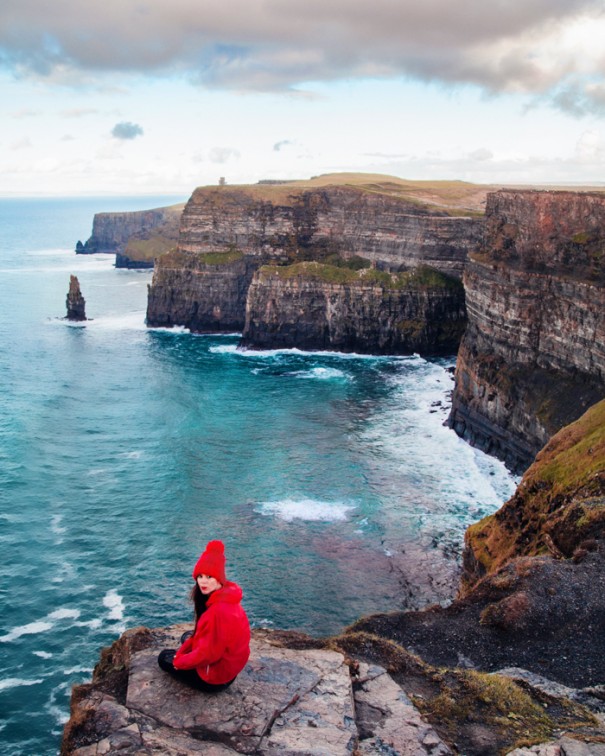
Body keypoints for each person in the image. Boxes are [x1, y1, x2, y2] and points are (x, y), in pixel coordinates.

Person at [158, 539, 250, 693]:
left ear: (219, 579)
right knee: (187, 638)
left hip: (216, 679)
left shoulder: (217, 613)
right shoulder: (230, 597)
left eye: (209, 577)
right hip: (231, 668)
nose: (203, 582)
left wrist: (179, 661)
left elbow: (207, 654)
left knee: (164, 658)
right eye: (200, 576)